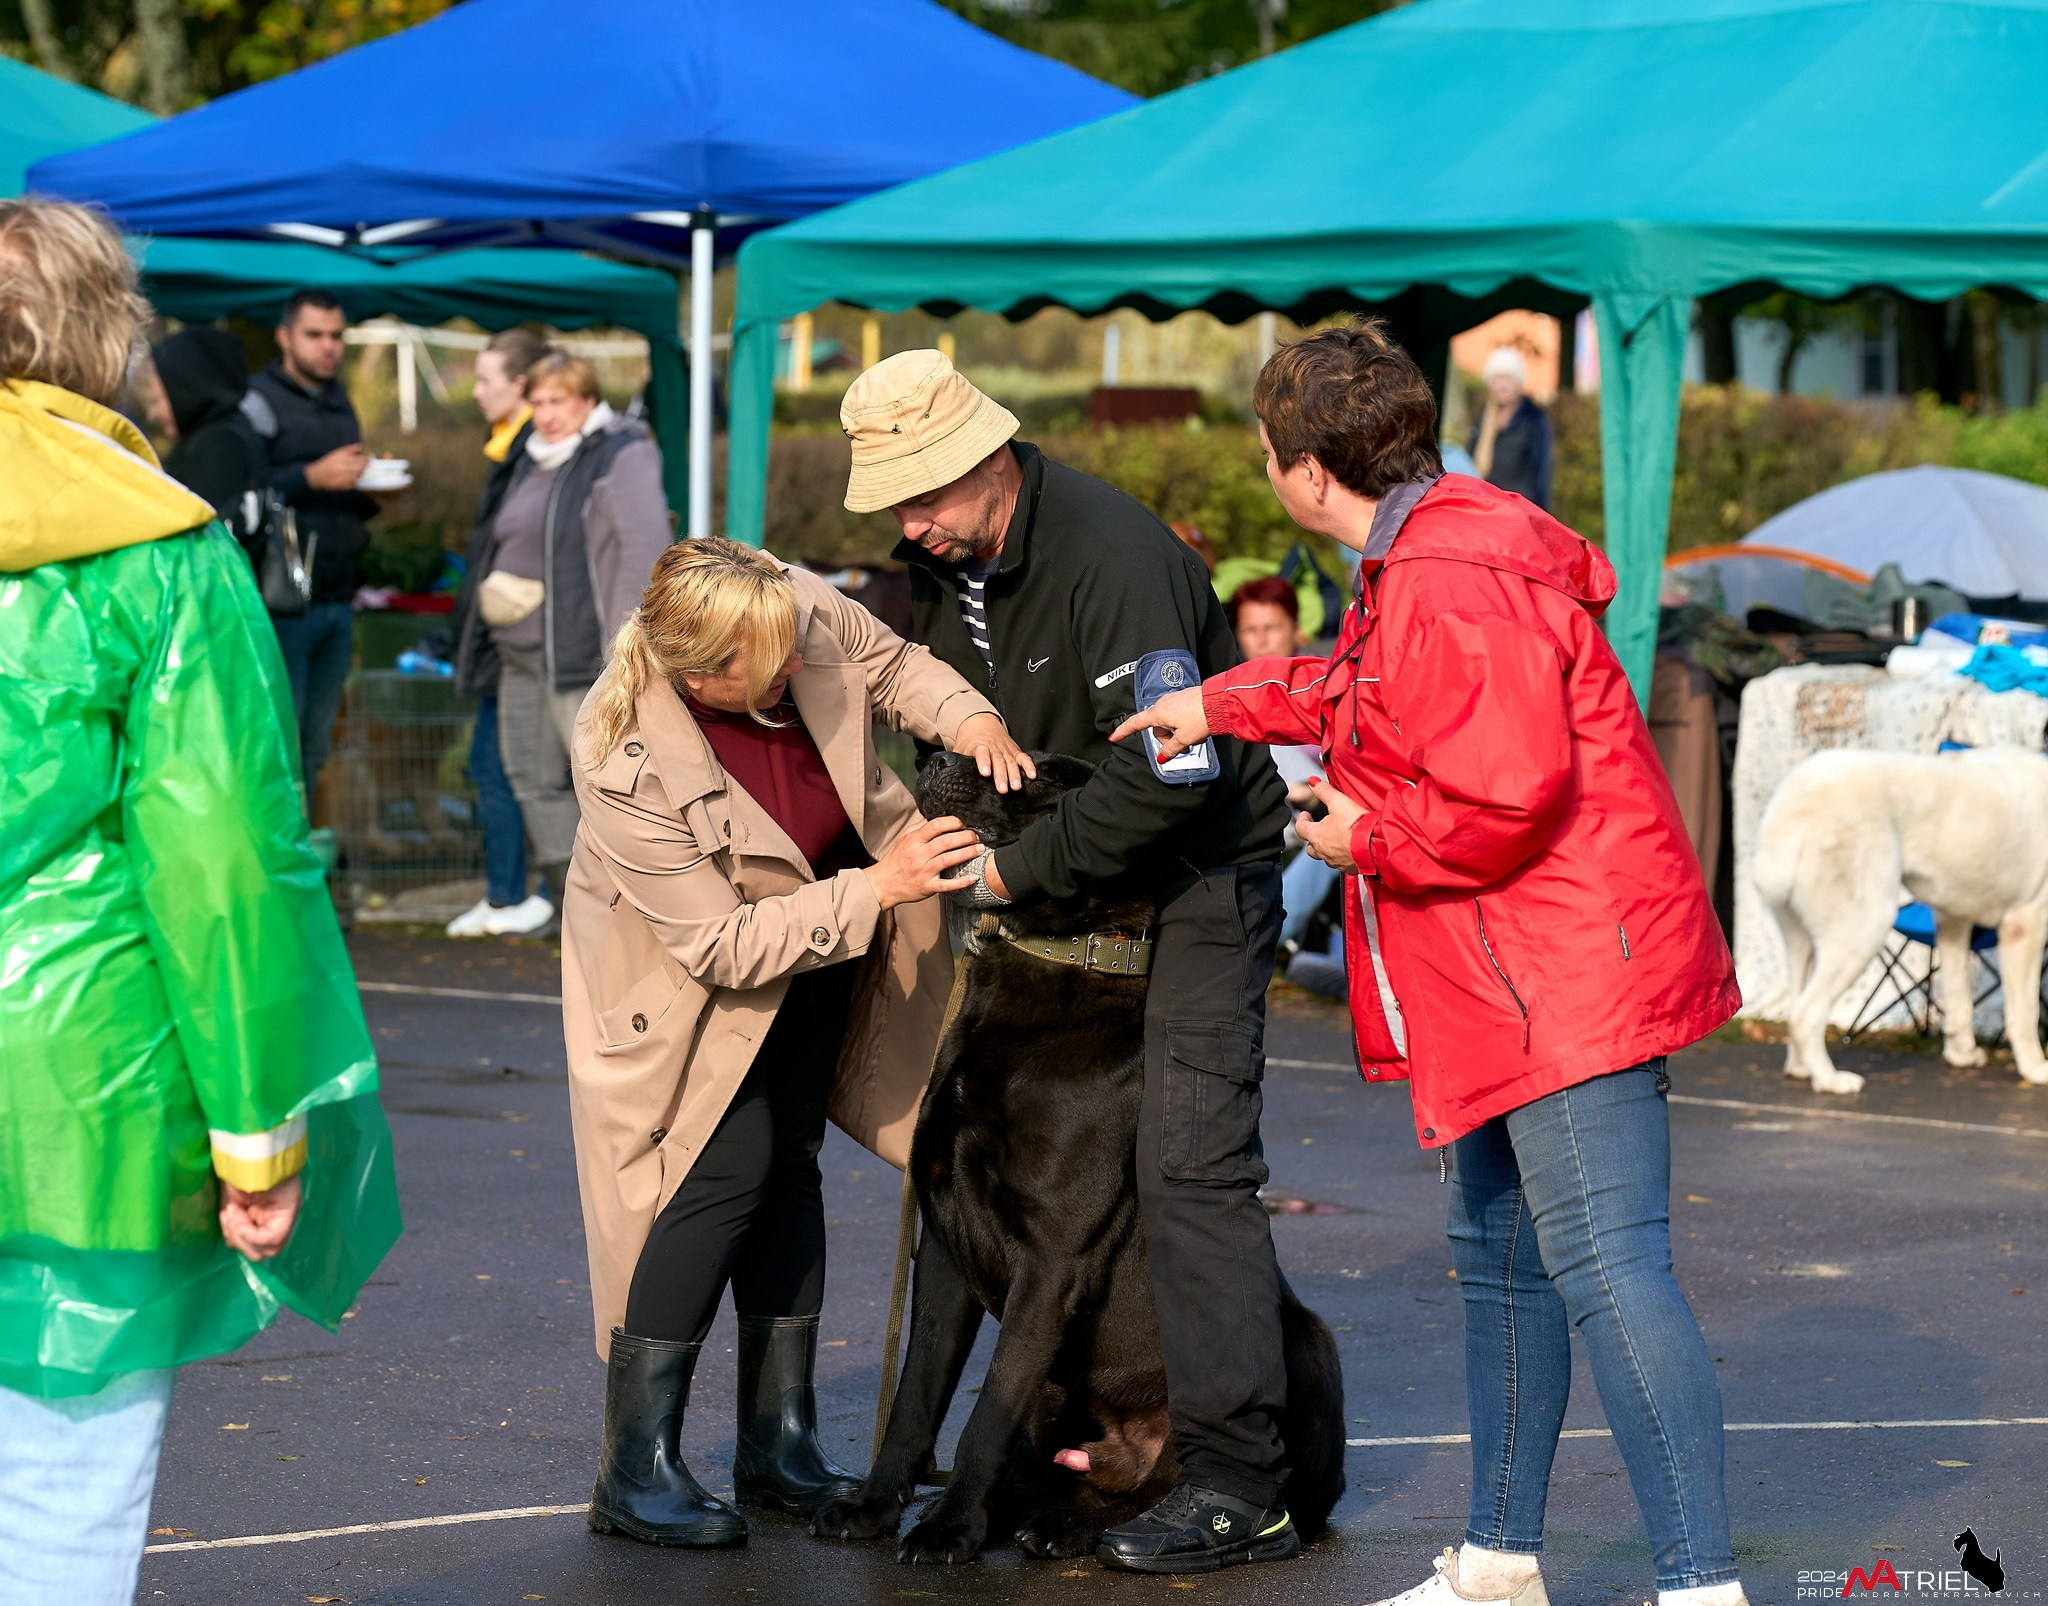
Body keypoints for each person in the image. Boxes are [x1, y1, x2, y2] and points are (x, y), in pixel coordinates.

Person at [1115, 322, 1748, 1606]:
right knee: (1507, 1264)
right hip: (1513, 968)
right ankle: (1501, 1562)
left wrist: (1367, 836)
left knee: (1606, 1270)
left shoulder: (1447, 570)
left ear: (1300, 467)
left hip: (1558, 969)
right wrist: (1225, 701)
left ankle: (1699, 1585)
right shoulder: (1428, 547)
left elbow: (1508, 791)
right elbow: (1370, 688)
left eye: (1262, 446)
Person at [838, 349, 1300, 1573]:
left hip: (1201, 872)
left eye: (922, 495)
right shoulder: (945, 563)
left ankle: (1242, 1479)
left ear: (988, 458)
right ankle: (938, 1466)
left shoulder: (1114, 554)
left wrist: (1005, 877)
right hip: (1057, 887)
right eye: (892, 501)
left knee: (1190, 1165)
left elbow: (1174, 771)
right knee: (976, 1177)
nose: (909, 523)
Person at [0, 197, 399, 1603]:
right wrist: (258, 1132)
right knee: (58, 1490)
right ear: (115, 336)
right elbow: (223, 871)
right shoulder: (158, 552)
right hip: (80, 1091)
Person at [563, 537, 1026, 1547]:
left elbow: (891, 663)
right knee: (715, 1174)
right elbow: (718, 942)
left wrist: (970, 717)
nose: (791, 667)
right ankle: (631, 1470)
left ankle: (778, 1447)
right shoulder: (618, 753)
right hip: (693, 982)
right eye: (763, 665)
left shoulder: (787, 605)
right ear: (696, 670)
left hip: (828, 940)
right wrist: (881, 887)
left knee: (789, 1166)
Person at [480, 349, 670, 911]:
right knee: (531, 778)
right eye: (536, 401)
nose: (546, 413)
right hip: (519, 651)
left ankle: (635, 905)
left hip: (582, 652)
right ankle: (579, 905)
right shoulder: (533, 458)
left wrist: (626, 647)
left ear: (588, 399)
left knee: (606, 782)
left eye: (558, 400)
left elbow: (643, 551)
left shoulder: (621, 453)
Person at [246, 287, 387, 795]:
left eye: (336, 336)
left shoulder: (339, 399)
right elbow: (240, 494)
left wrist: (374, 494)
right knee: (276, 747)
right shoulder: (258, 402)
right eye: (314, 335)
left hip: (338, 602)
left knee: (313, 749)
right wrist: (311, 476)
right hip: (282, 607)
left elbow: (337, 496)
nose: (328, 346)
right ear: (284, 337)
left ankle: (302, 859)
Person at [448, 328, 552, 938]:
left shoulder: (529, 456)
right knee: (501, 763)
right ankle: (518, 892)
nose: (475, 390)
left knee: (505, 765)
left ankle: (520, 894)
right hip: (504, 633)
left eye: (486, 379)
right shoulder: (508, 453)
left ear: (520, 385)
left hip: (520, 637)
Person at [1227, 576, 1334, 958]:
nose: (1261, 640)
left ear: (1296, 629)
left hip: (1322, 809)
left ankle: (1269, 938)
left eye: (1271, 627)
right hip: (1271, 809)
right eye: (1249, 629)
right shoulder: (1226, 695)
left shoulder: (1330, 683)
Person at [148, 326, 266, 551]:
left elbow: (205, 543)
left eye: (158, 400)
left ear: (187, 391)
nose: (154, 414)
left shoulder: (217, 444)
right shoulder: (228, 429)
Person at [1467, 346, 1554, 510]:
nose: (1501, 385)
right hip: (1486, 506)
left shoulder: (1534, 419)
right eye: (1496, 379)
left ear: (1519, 381)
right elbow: (1473, 469)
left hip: (1521, 509)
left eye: (1507, 378)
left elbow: (1542, 472)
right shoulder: (1482, 418)